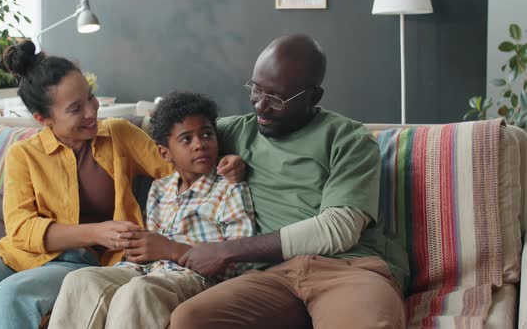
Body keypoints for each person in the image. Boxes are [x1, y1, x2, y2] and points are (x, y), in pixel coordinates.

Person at [0, 41, 244, 329]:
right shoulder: (23, 154)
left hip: (81, 264)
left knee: (11, 297)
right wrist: (98, 231)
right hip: (15, 253)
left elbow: (176, 166)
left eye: (90, 96)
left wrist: (225, 160)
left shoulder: (119, 135)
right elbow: (21, 228)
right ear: (43, 118)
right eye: (75, 108)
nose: (91, 110)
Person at [169, 34, 409, 329]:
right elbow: (164, 146)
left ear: (314, 97)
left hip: (348, 270)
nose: (261, 106)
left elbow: (339, 229)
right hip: (271, 278)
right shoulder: (231, 133)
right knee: (189, 319)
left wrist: (227, 250)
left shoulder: (348, 139)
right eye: (256, 90)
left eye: (277, 98)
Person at [48, 91, 256, 329]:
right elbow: (151, 247)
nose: (200, 144)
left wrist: (171, 250)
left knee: (138, 292)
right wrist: (140, 249)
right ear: (164, 153)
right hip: (149, 271)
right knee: (81, 280)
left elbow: (240, 260)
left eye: (207, 134)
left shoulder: (228, 188)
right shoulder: (160, 189)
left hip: (197, 278)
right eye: (186, 139)